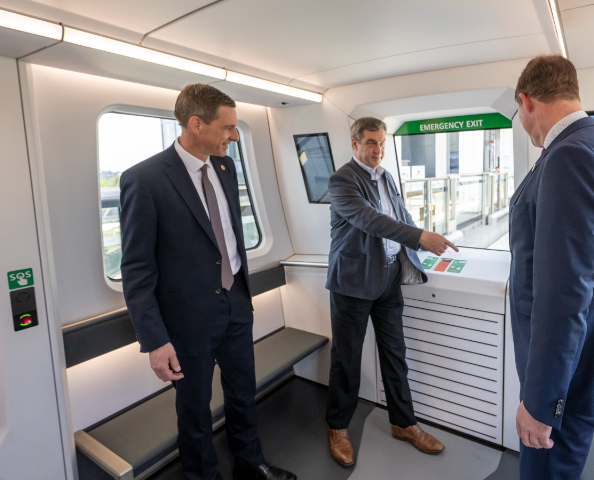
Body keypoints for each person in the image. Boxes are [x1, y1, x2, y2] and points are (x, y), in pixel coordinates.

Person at [119, 84, 296, 480]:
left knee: (242, 393)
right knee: (195, 410)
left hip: (235, 301)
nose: (234, 136)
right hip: (186, 318)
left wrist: (240, 293)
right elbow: (136, 269)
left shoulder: (225, 167)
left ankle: (251, 464)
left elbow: (227, 234)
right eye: (228, 127)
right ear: (196, 124)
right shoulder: (144, 180)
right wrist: (155, 339)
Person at [509, 55, 594, 479]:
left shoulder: (571, 155)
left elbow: (564, 294)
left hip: (572, 372)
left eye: (518, 111)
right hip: (591, 356)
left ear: (527, 101)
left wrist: (542, 403)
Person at [324, 117, 456, 467]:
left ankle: (403, 423)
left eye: (381, 142)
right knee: (347, 361)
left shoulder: (388, 177)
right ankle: (337, 426)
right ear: (354, 144)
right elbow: (369, 219)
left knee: (395, 355)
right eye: (370, 142)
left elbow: (399, 215)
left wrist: (425, 241)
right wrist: (418, 236)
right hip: (352, 283)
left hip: (388, 278)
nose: (377, 149)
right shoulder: (341, 181)